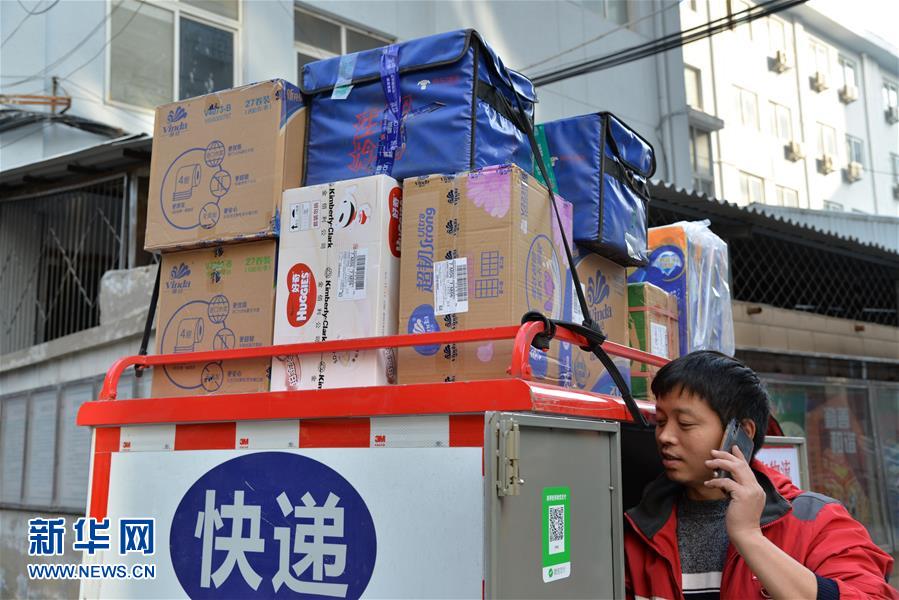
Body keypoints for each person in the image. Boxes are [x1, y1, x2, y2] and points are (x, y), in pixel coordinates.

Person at [624, 351, 896, 600]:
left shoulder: (816, 520)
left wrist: (750, 537)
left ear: (742, 433)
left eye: (685, 424)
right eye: (660, 422)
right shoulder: (639, 527)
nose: (665, 436)